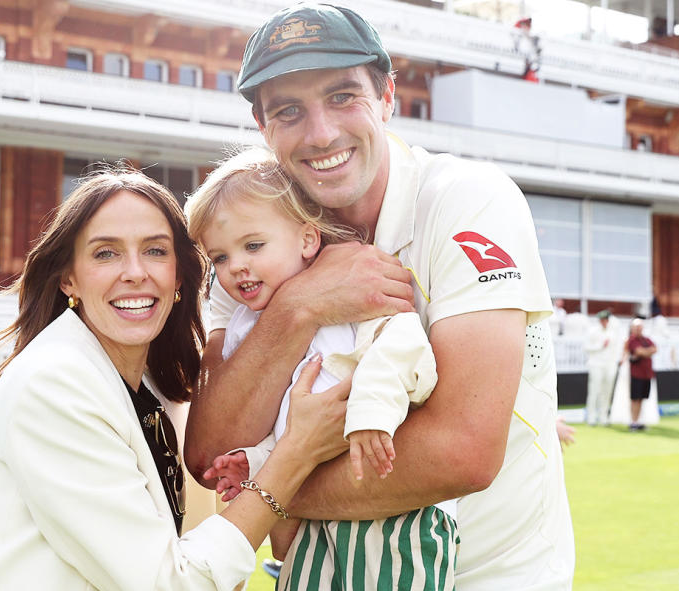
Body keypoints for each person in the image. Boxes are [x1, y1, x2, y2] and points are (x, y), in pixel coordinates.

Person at [184, 4, 575, 590]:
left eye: (344, 96)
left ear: (387, 95)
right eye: (289, 111)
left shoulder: (466, 199)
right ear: (264, 130)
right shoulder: (252, 234)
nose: (321, 134)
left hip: (486, 576)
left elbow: (462, 452)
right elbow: (211, 447)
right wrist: (301, 305)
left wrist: (267, 487)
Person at [0, 167, 350, 590]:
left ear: (179, 275)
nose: (135, 272)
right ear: (68, 278)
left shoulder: (159, 387)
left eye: (156, 251)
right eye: (106, 253)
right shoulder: (52, 386)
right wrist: (297, 453)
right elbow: (167, 584)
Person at [186, 148, 456, 589]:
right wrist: (253, 461)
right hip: (313, 522)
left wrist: (370, 412)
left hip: (396, 517)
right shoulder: (243, 328)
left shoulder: (351, 284)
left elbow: (405, 346)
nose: (237, 266)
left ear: (308, 240)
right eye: (219, 258)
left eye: (254, 246)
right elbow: (277, 427)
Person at [584, 309, 618, 426]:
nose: (604, 322)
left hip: (609, 364)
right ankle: (591, 417)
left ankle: (603, 416)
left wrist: (615, 362)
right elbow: (587, 347)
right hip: (596, 364)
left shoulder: (613, 332)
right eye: (602, 320)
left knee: (607, 391)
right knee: (594, 391)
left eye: (606, 320)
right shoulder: (593, 331)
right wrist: (600, 346)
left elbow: (615, 349)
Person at [624, 318, 656, 431]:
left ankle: (638, 421)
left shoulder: (646, 339)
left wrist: (644, 352)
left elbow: (654, 349)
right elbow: (639, 352)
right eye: (636, 327)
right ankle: (633, 422)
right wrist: (647, 352)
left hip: (646, 374)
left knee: (642, 399)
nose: (638, 329)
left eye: (640, 327)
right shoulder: (631, 340)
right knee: (635, 399)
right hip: (636, 374)